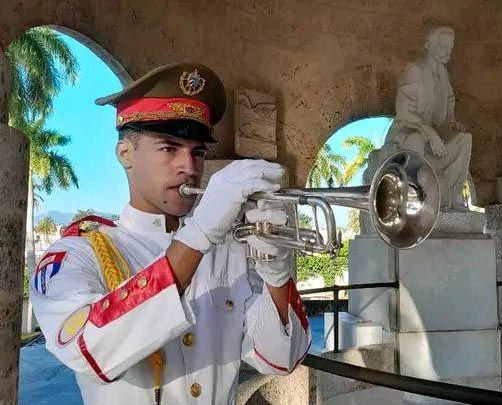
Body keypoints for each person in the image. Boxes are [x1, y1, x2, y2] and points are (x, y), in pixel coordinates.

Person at [30, 62, 311, 405]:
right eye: (169, 148)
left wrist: (276, 274)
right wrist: (198, 235)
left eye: (197, 152)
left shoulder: (227, 249)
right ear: (125, 154)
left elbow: (279, 360)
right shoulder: (78, 252)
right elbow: (88, 348)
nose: (189, 167)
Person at [385, 26, 472, 211]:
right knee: (416, 140)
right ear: (428, 46)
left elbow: (448, 112)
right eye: (442, 46)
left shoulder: (444, 75)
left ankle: (451, 198)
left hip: (435, 135)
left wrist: (453, 124)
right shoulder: (414, 70)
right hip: (409, 131)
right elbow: (403, 112)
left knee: (465, 140)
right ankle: (415, 198)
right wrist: (429, 133)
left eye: (450, 47)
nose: (447, 51)